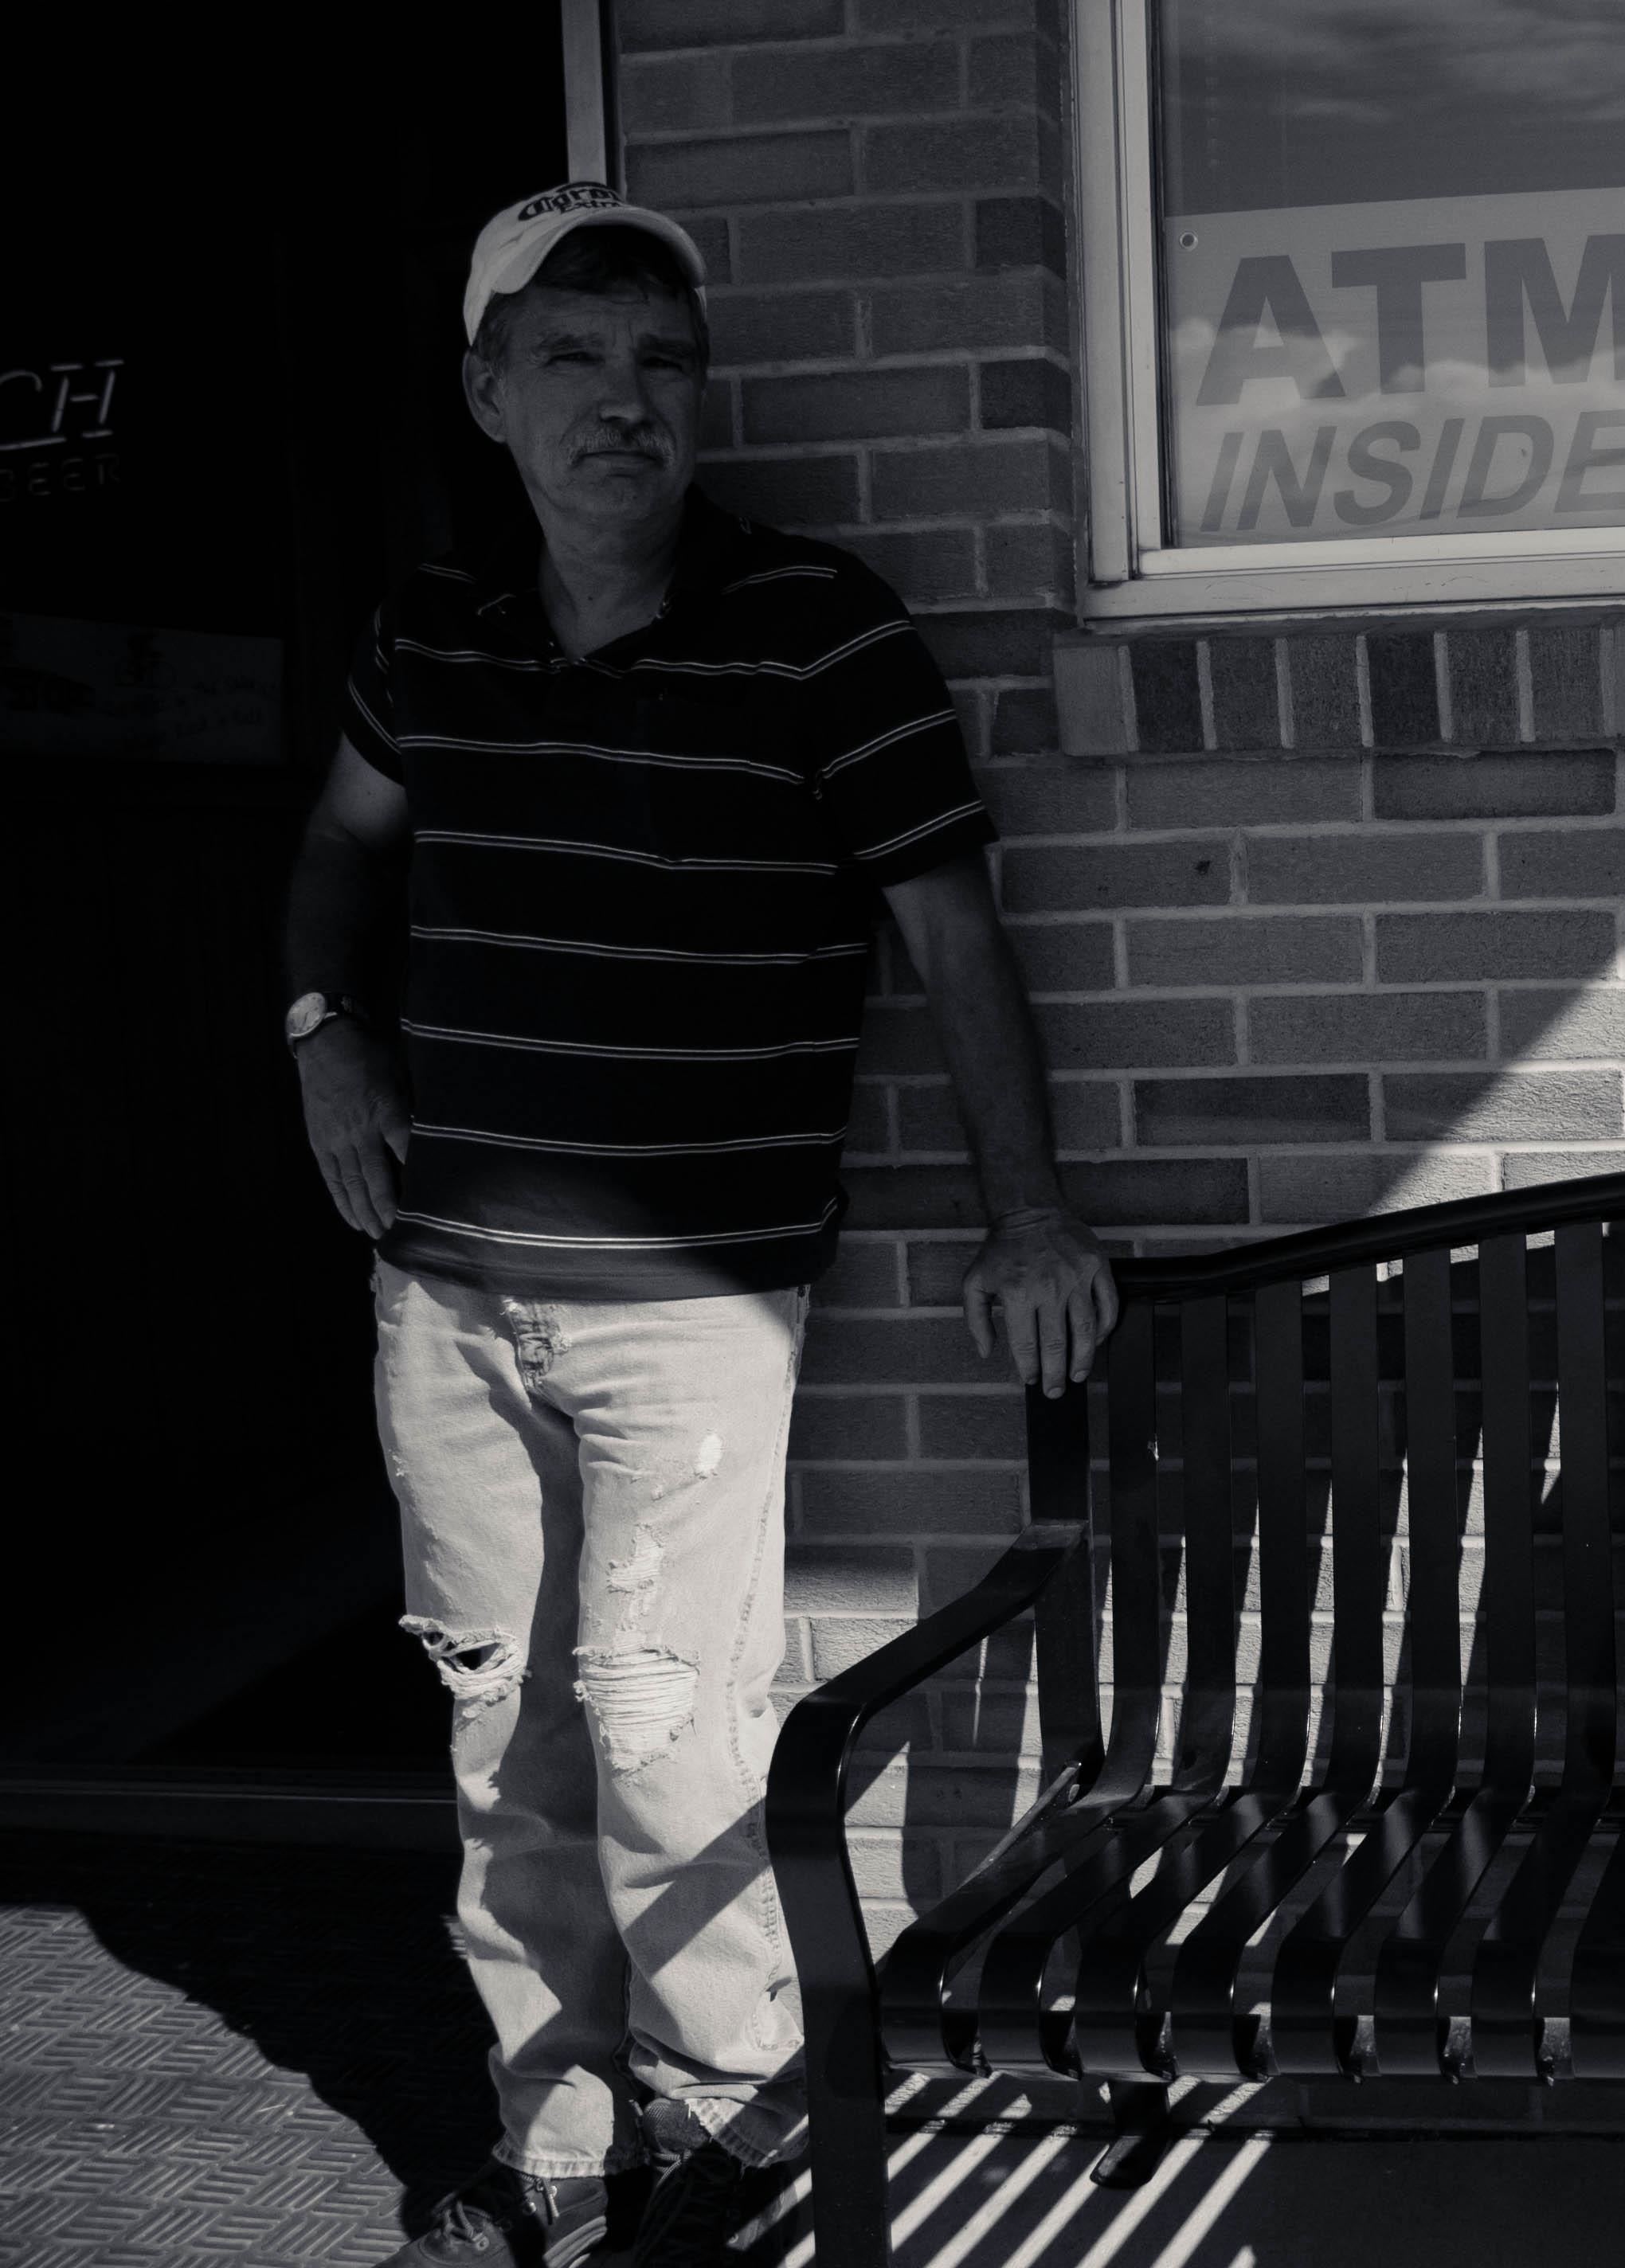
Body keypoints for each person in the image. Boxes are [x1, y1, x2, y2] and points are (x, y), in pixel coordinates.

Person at [282, 182, 1117, 2268]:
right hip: (447, 1302)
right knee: (505, 1740)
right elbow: (338, 849)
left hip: (691, 1310)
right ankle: (561, 2152)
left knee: (662, 1738)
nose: (623, 401)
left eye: (661, 360)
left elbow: (954, 937)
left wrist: (1028, 1213)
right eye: (570, 355)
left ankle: (735, 2132)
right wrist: (322, 1031)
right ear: (486, 391)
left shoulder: (819, 631)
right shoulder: (427, 635)